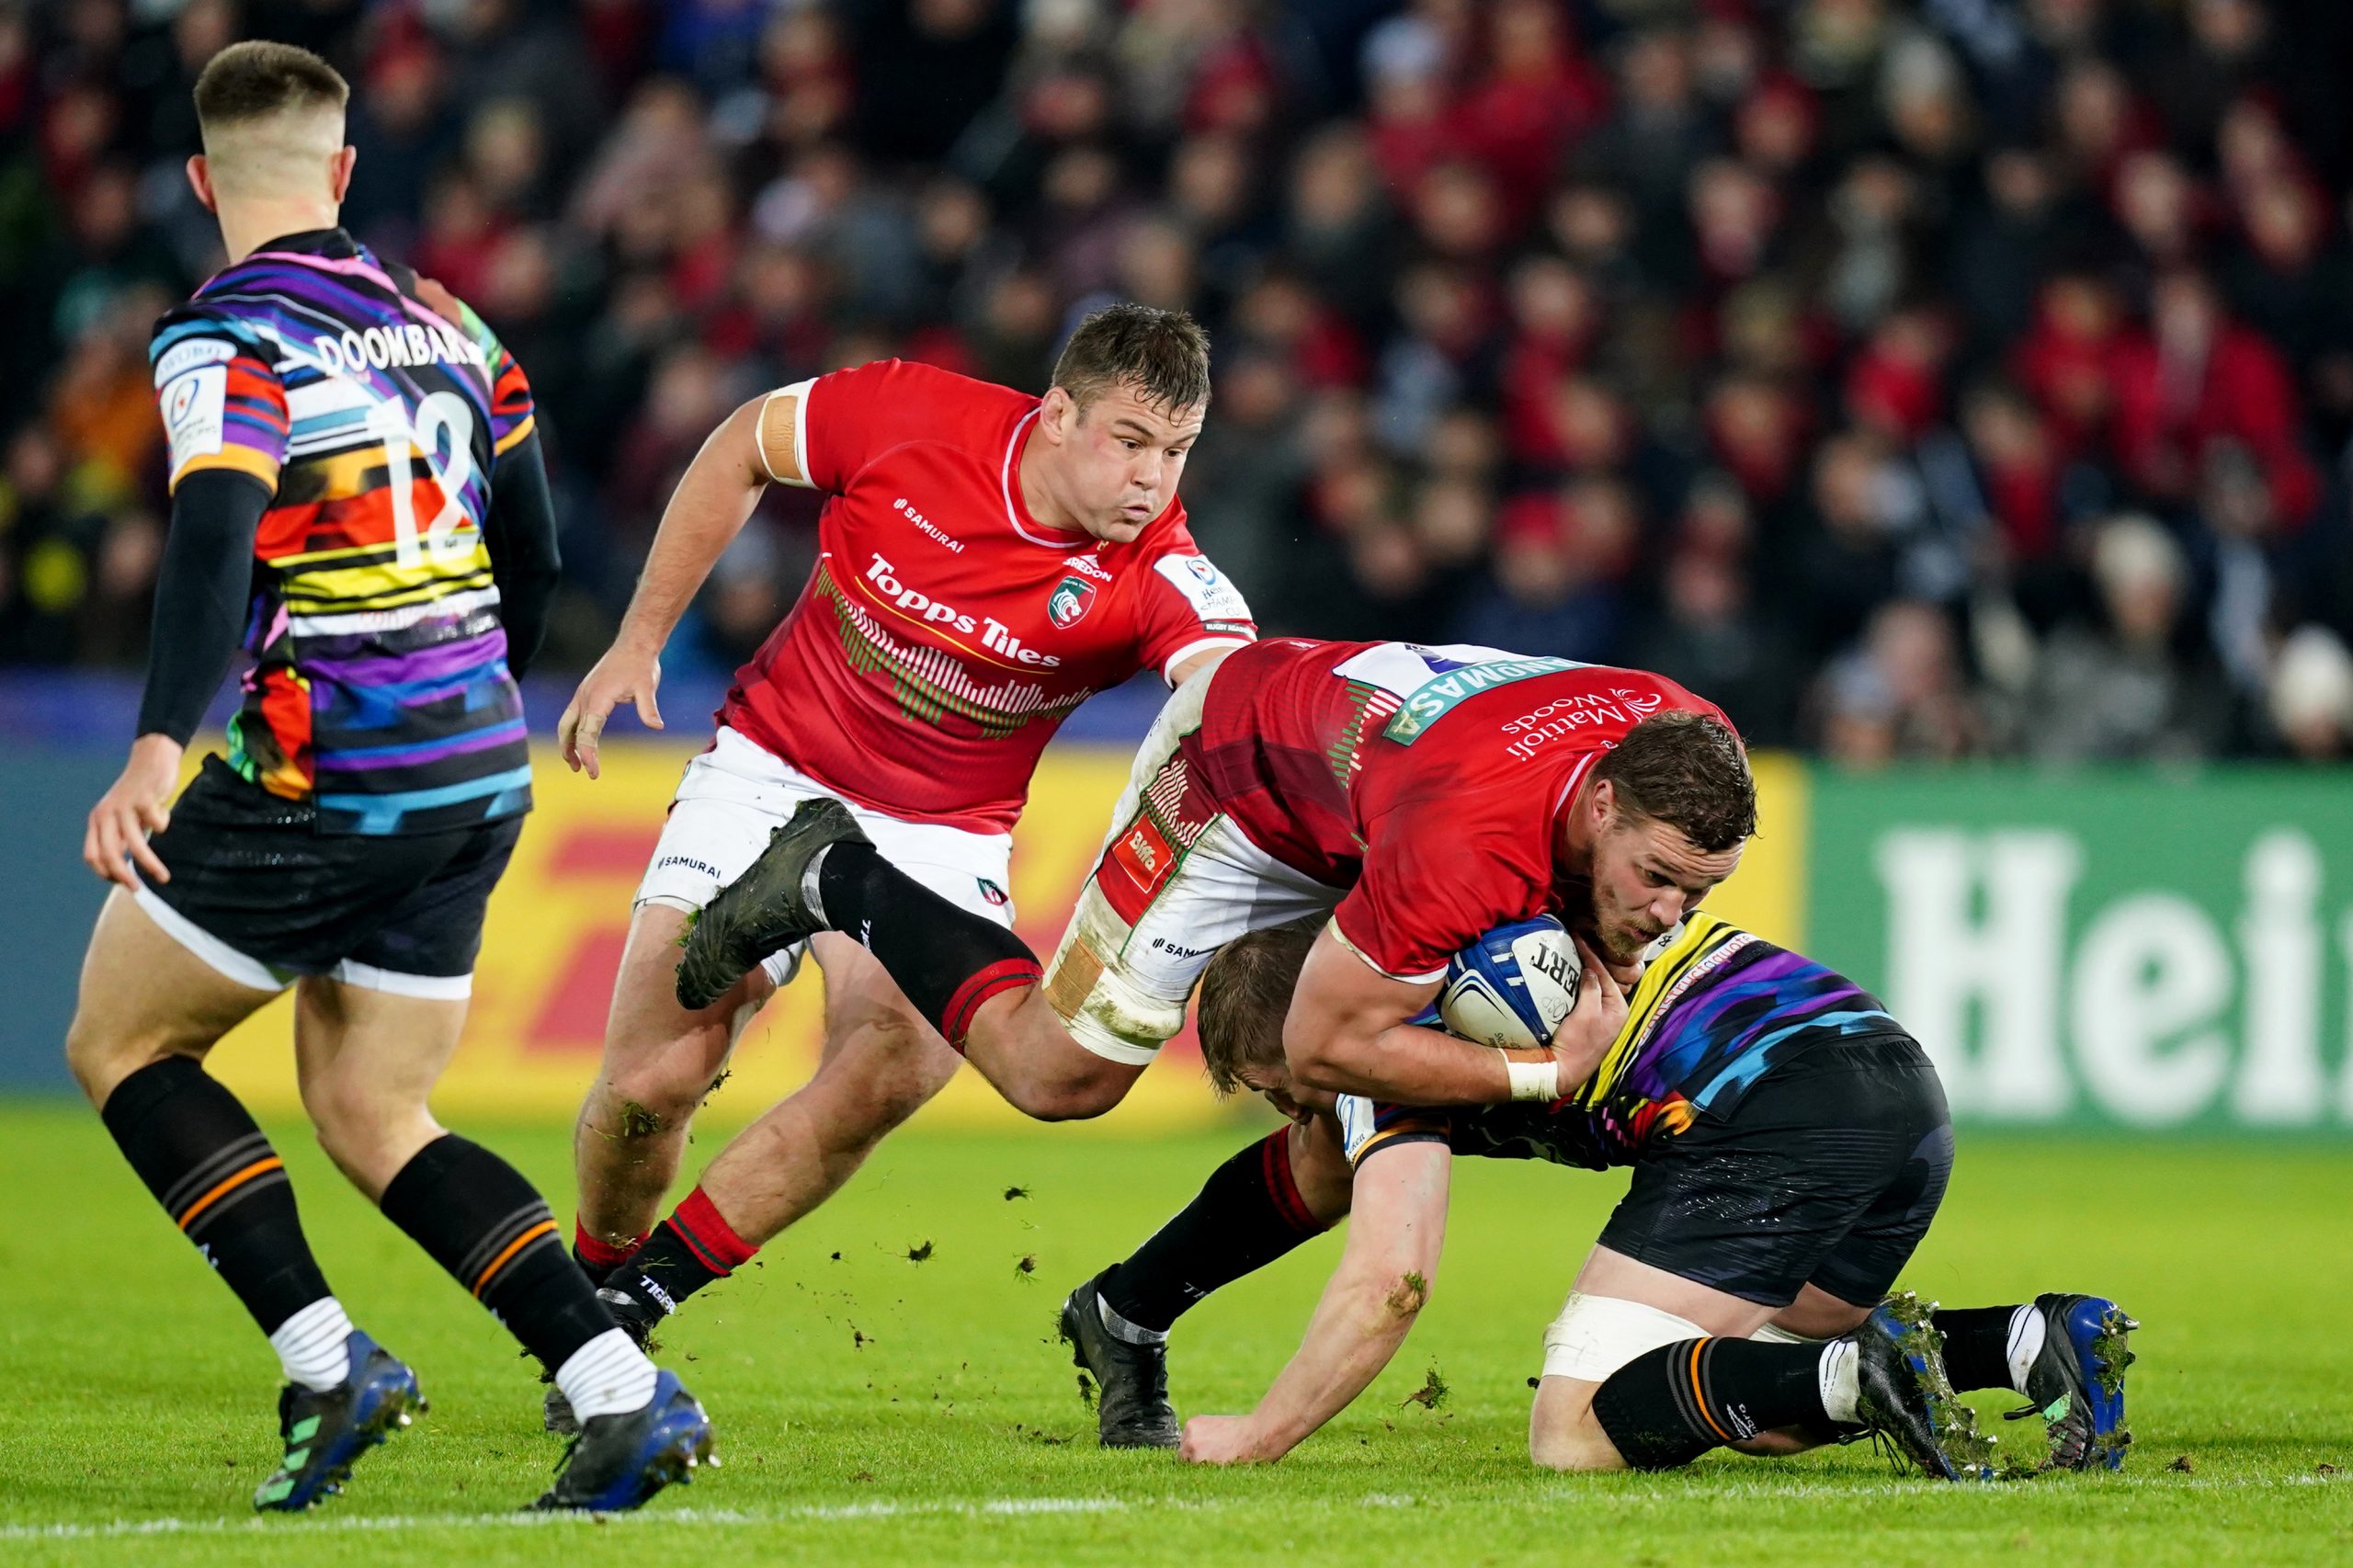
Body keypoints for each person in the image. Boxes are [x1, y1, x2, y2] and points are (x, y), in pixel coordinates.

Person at [64, 41, 708, 1513]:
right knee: (371, 1110)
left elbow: (217, 525)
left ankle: (326, 1359)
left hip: (327, 766)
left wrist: (163, 740)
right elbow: (534, 551)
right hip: (472, 765)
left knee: (122, 1044)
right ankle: (622, 1393)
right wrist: (470, 697)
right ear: (346, 172)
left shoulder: (223, 337)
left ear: (197, 183)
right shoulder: (452, 324)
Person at [550, 305, 1256, 1416]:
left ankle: (631, 1308)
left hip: (941, 831)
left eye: (1176, 452)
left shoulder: (1159, 572)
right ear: (1056, 412)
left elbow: (1228, 690)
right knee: (652, 1083)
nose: (1152, 480)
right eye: (1129, 440)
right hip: (772, 765)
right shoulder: (901, 414)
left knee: (898, 1064)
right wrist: (638, 639)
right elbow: (741, 442)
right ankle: (595, 1275)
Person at [1154, 917, 2136, 1477]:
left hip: (1767, 1102)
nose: (1292, 1111)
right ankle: (2028, 1338)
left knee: (1576, 1427)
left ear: (1316, 1023)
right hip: (1891, 1078)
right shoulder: (1454, 926)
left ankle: (1866, 1371)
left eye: (1281, 1082)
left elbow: (1390, 1282)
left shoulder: (1372, 1053)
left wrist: (1259, 1434)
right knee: (1758, 1380)